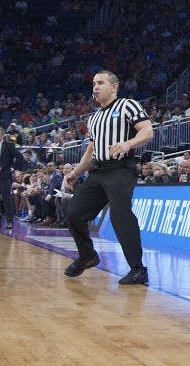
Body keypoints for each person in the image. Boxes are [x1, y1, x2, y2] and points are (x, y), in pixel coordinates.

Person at [62, 70, 153, 285]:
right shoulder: (94, 118)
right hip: (98, 171)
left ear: (114, 87)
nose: (95, 86)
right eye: (94, 83)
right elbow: (91, 151)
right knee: (74, 214)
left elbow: (148, 131)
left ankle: (138, 269)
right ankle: (87, 256)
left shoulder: (127, 105)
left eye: (101, 82)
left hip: (121, 168)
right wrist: (75, 172)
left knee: (120, 216)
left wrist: (127, 144)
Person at [0, 126, 18, 228]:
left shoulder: (9, 145)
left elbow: (19, 157)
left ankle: (9, 222)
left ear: (2, 135)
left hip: (4, 176)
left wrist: (12, 169)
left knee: (7, 199)